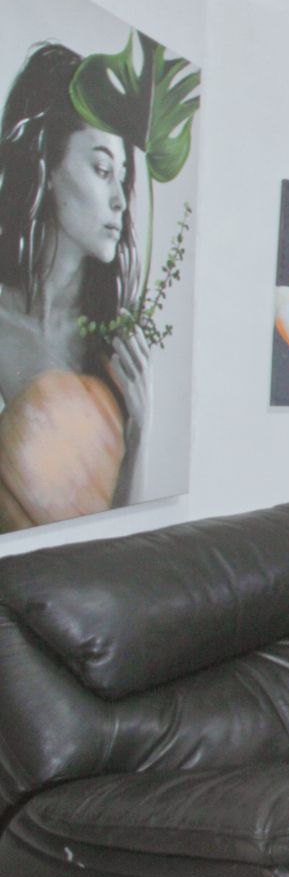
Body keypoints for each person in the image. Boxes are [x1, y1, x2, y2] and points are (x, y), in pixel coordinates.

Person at [0, 42, 150, 530]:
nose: (120, 200)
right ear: (47, 165)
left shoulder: (115, 345)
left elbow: (122, 533)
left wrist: (139, 428)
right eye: (102, 170)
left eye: (122, 177)